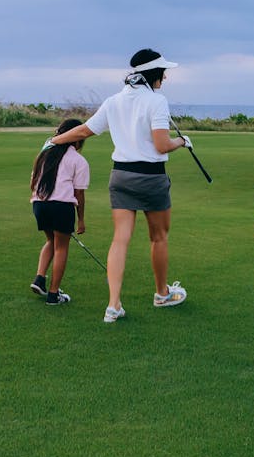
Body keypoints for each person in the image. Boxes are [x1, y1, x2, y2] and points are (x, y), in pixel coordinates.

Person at [47, 48, 193, 322]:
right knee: (158, 237)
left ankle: (113, 305)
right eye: (163, 73)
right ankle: (162, 294)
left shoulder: (114, 100)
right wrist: (182, 142)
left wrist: (54, 140)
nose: (166, 77)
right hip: (151, 177)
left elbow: (84, 131)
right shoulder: (157, 101)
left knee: (120, 239)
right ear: (154, 74)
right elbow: (162, 145)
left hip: (121, 176)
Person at [30, 119, 90, 305]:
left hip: (39, 204)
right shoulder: (78, 160)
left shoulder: (44, 154)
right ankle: (53, 294)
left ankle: (40, 279)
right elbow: (78, 194)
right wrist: (80, 220)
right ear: (77, 139)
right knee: (61, 247)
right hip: (61, 206)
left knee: (51, 240)